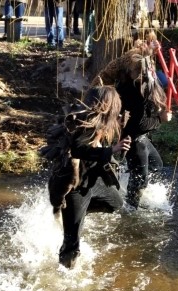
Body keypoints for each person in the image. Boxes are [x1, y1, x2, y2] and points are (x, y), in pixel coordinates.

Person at [91, 32, 172, 210]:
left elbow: (141, 57)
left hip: (138, 135)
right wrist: (160, 119)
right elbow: (140, 124)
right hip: (133, 136)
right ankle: (130, 210)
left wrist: (152, 52)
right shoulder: (134, 87)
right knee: (141, 180)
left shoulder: (133, 66)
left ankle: (127, 179)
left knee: (156, 165)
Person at [56, 86, 131, 268]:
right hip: (74, 187)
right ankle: (64, 277)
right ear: (109, 104)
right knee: (72, 245)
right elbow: (77, 150)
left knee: (116, 203)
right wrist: (111, 149)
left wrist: (118, 128)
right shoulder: (82, 122)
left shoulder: (103, 122)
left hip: (92, 181)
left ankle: (78, 213)